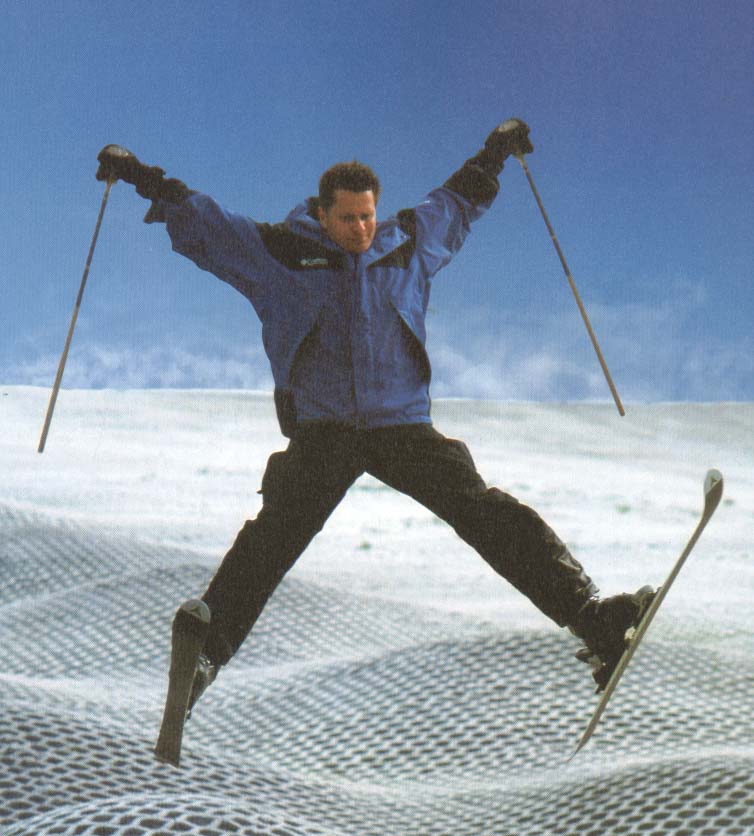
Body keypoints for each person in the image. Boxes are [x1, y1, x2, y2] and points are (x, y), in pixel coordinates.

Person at [97, 120, 653, 718]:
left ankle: (594, 619)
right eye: (347, 219)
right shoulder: (281, 253)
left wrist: (498, 148)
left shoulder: (404, 245)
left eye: (368, 216)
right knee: (275, 536)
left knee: (485, 513)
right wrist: (137, 175)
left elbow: (457, 200)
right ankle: (204, 656)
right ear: (322, 213)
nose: (361, 229)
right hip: (325, 430)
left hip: (400, 425)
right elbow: (205, 221)